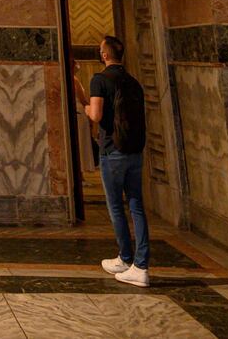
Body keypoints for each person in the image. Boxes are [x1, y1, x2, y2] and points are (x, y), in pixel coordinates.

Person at [84, 34, 150, 286]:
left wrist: (87, 108)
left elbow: (97, 115)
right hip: (134, 150)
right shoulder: (133, 82)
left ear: (104, 55)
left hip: (112, 151)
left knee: (115, 207)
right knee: (136, 206)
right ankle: (141, 264)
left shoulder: (99, 80)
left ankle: (126, 258)